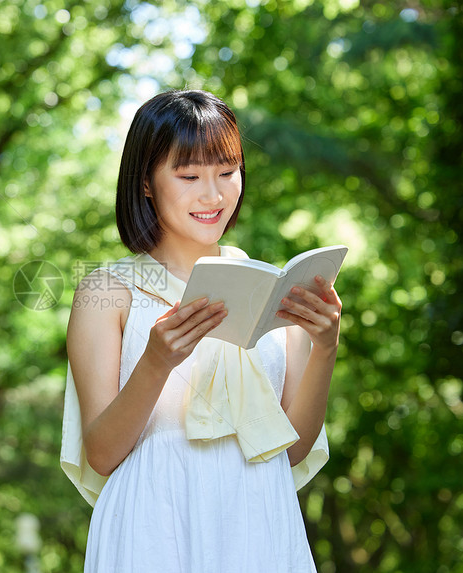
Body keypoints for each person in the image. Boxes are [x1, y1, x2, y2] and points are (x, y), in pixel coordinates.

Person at [61, 89, 342, 572]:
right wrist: (155, 363)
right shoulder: (108, 292)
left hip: (260, 518)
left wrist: (325, 348)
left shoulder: (271, 287)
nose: (212, 195)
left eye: (227, 172)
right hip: (155, 523)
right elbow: (102, 453)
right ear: (146, 182)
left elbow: (293, 448)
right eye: (189, 175)